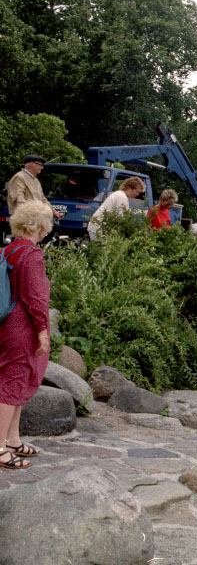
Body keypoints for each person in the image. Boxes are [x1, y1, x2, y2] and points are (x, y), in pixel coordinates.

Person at [0, 201, 54, 469]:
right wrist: (42, 329)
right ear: (41, 226)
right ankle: (0, 446)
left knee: (16, 382)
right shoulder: (31, 254)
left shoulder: (10, 249)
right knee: (11, 383)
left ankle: (12, 440)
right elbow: (35, 296)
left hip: (7, 321)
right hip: (23, 325)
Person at [87, 176, 145, 240]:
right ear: (129, 187)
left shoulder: (120, 194)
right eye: (137, 191)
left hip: (98, 226)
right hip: (99, 228)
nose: (137, 194)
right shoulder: (121, 197)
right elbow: (120, 219)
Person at [6, 155, 63, 219]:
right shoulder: (19, 177)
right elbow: (19, 200)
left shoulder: (35, 180)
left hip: (35, 219)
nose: (42, 167)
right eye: (40, 165)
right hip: (22, 218)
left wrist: (54, 211)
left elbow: (43, 199)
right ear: (31, 164)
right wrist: (33, 213)